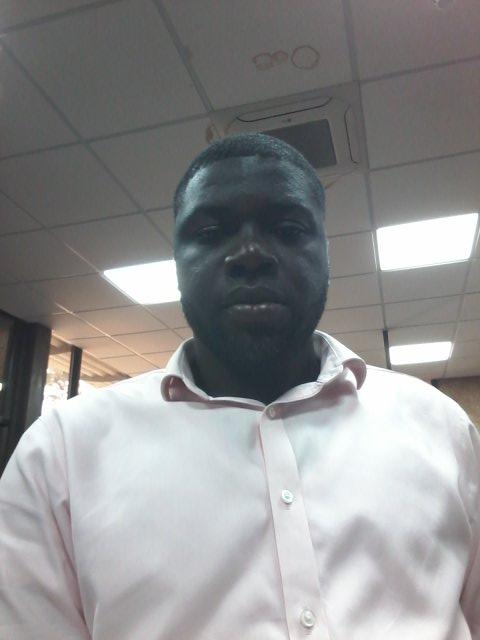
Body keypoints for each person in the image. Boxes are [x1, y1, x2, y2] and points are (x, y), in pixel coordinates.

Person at [0, 133, 478, 640]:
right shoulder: (61, 456)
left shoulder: (441, 428)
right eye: (210, 232)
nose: (250, 254)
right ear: (178, 263)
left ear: (326, 253)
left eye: (288, 229)